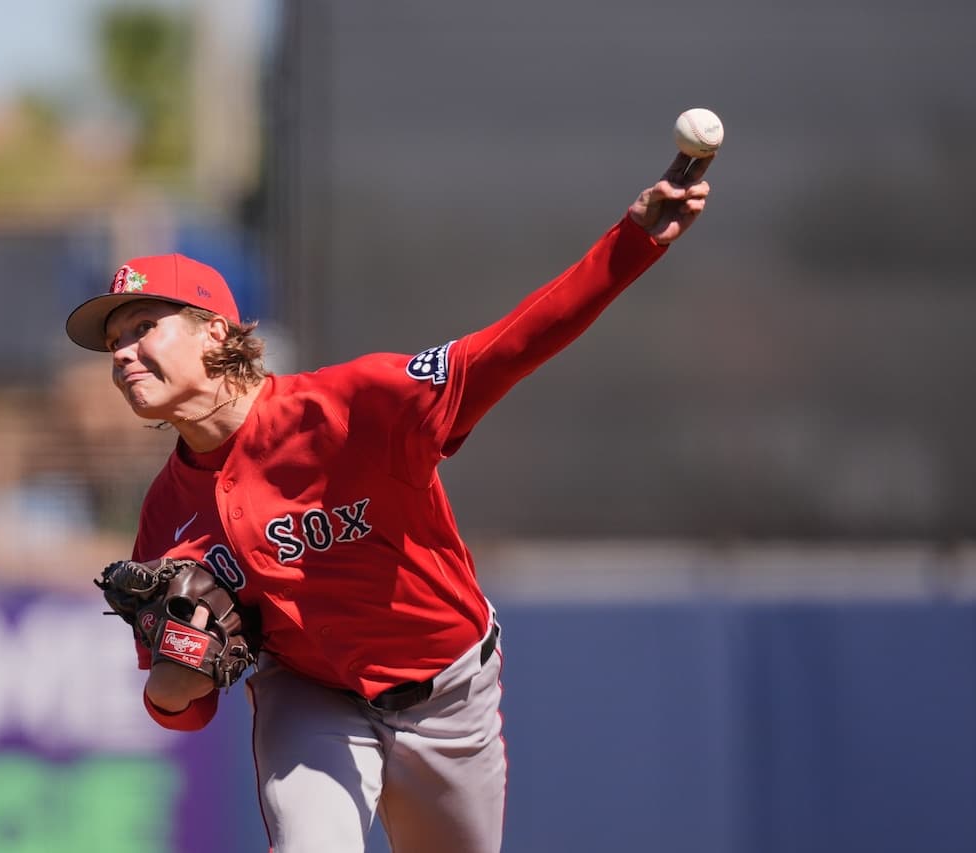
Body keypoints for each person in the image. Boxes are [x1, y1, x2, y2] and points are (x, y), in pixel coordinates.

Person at [65, 151, 713, 852]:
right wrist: (173, 678)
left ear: (214, 331)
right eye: (112, 342)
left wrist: (633, 243)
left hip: (449, 694)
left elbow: (508, 348)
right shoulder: (167, 513)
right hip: (311, 696)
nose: (122, 354)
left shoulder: (352, 407)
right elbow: (177, 706)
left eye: (142, 328)